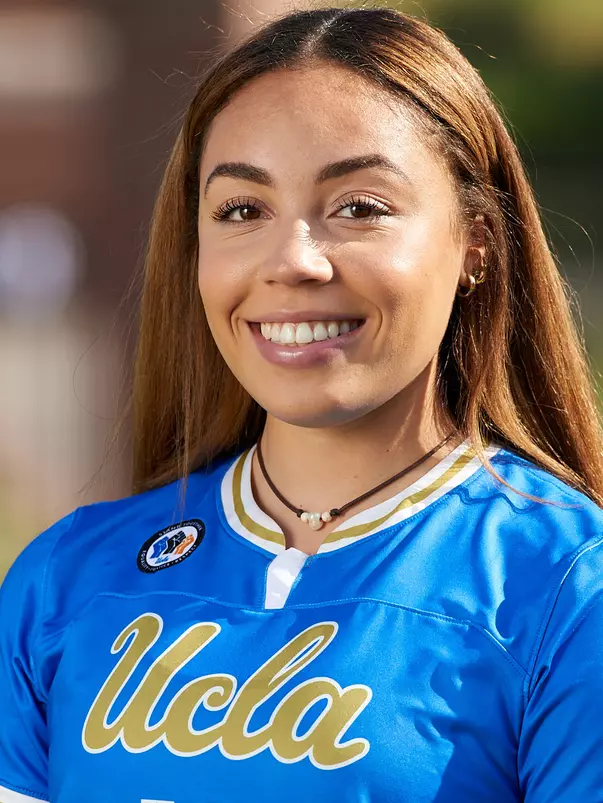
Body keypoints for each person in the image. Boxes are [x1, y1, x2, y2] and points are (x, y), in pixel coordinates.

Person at [1, 5, 602, 802]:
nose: (292, 261)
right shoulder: (65, 578)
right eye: (241, 210)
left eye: (359, 206)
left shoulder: (569, 589)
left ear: (475, 242)